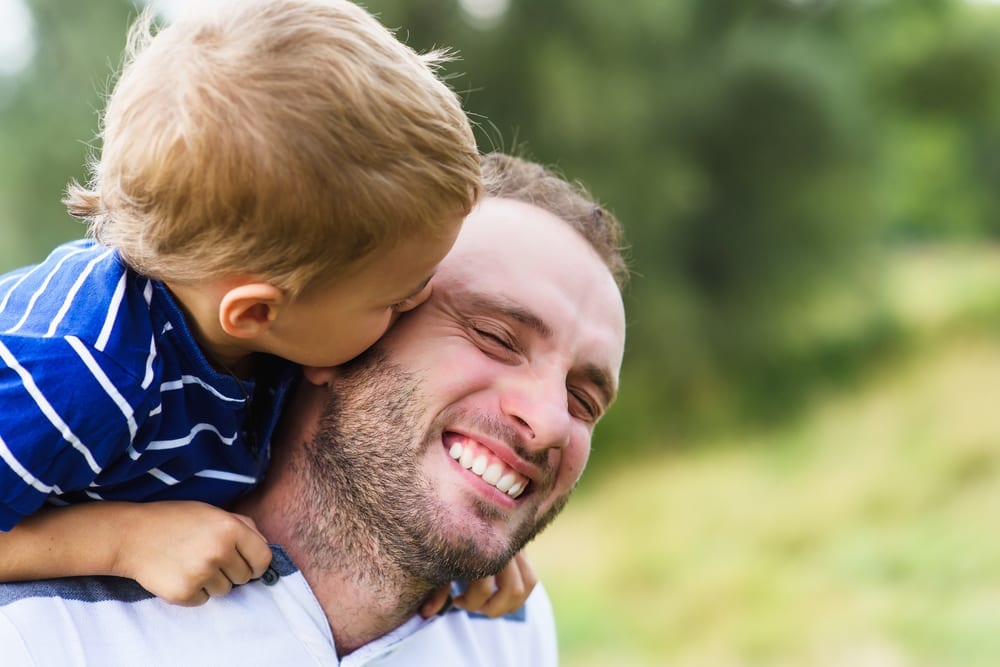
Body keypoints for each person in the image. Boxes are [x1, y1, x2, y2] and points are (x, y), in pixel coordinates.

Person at [0, 0, 529, 616]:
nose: (422, 298)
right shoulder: (79, 375)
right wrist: (122, 541)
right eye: (396, 295)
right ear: (254, 312)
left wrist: (454, 522)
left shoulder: (272, 326)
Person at [0, 152, 629, 665]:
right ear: (335, 332)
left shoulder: (508, 631)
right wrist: (113, 541)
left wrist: (467, 514)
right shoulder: (39, 631)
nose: (548, 421)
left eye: (583, 399)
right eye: (494, 336)